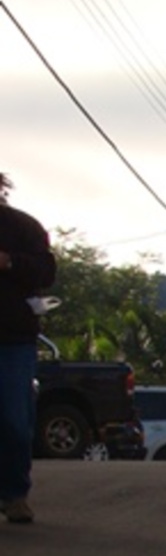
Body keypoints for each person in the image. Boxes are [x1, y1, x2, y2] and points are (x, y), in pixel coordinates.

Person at [0, 172, 57, 524]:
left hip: (12, 339)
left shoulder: (22, 227)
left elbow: (46, 271)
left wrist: (9, 263)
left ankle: (15, 493)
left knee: (14, 420)